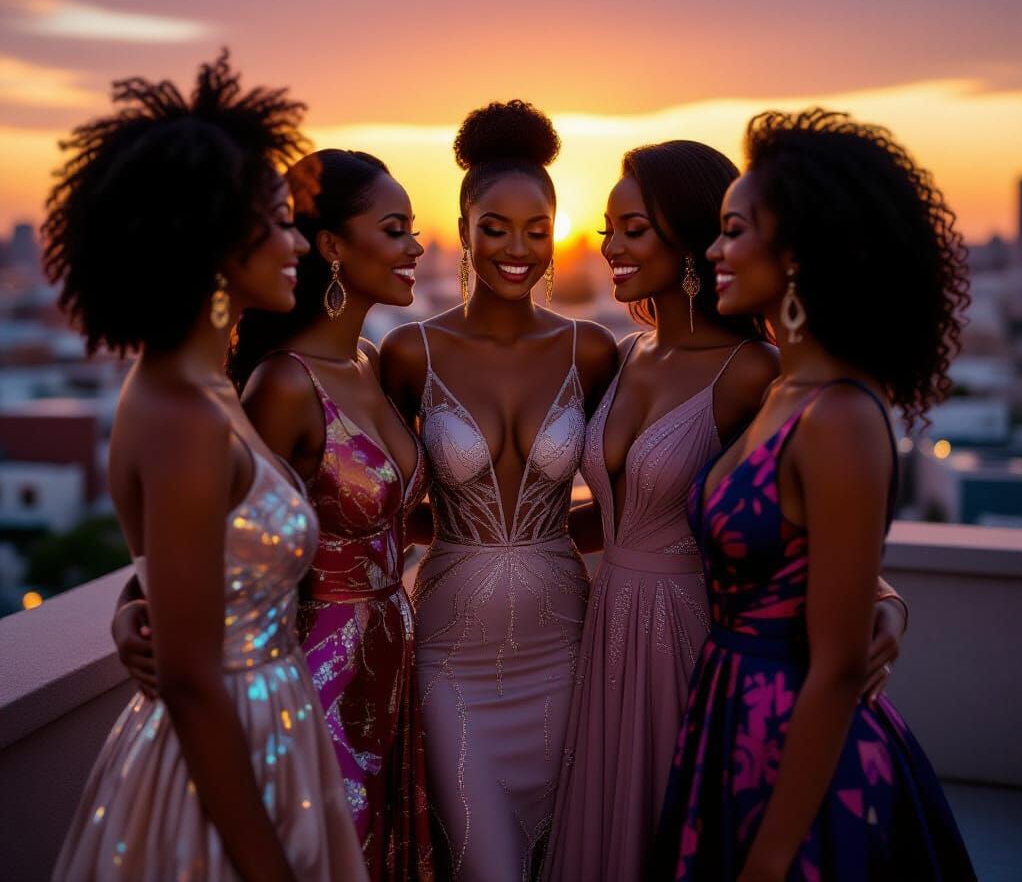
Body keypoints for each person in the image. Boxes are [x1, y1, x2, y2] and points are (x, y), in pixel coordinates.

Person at [544, 140, 909, 882]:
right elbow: (618, 512)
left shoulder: (755, 373)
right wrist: (464, 534)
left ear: (686, 236)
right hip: (603, 630)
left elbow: (791, 522)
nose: (608, 245)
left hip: (688, 635)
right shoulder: (623, 353)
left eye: (632, 228)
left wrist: (886, 598)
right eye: (606, 227)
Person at [47, 54, 366, 882]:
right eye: (277, 221)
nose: (298, 240)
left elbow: (190, 562)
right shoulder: (183, 413)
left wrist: (132, 602)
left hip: (268, 736)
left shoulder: (201, 387)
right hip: (227, 770)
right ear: (214, 242)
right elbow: (190, 681)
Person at [655, 109, 975, 880]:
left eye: (734, 231)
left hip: (801, 754)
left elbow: (835, 667)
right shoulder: (780, 388)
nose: (714, 250)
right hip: (729, 717)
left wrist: (768, 861)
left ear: (797, 253)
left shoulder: (839, 415)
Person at [381, 100, 618, 881]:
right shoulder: (412, 351)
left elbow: (630, 508)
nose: (518, 250)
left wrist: (547, 544)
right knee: (482, 862)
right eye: (495, 227)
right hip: (452, 648)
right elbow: (374, 501)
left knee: (559, 859)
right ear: (463, 225)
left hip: (564, 645)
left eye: (537, 230)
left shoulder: (593, 351)